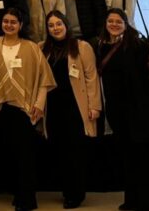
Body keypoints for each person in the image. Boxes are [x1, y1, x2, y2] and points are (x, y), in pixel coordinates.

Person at [0, 8, 54, 211]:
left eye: (13, 22)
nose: (9, 25)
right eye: (5, 21)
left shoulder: (31, 47)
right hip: (1, 108)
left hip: (24, 109)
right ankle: (17, 192)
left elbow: (45, 79)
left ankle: (28, 199)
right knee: (9, 154)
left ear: (21, 25)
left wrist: (39, 104)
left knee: (26, 156)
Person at [98, 8, 149, 211]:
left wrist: (144, 107)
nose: (114, 24)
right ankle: (132, 198)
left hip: (138, 109)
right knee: (127, 157)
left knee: (143, 156)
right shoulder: (102, 45)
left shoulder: (137, 44)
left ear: (126, 24)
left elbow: (146, 78)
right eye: (110, 21)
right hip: (118, 111)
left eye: (119, 21)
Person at [41, 11, 101, 209]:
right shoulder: (43, 49)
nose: (55, 28)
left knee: (75, 153)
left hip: (76, 106)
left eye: (59, 24)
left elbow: (91, 77)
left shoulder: (81, 47)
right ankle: (67, 191)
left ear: (66, 25)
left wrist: (94, 106)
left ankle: (76, 194)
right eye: (51, 25)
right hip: (53, 107)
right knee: (59, 152)